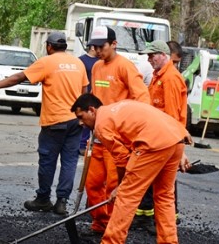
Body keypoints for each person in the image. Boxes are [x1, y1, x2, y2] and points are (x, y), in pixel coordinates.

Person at [0, 32, 87, 215]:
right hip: (76, 121)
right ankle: (62, 202)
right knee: (69, 161)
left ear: (49, 46)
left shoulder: (47, 62)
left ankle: (43, 199)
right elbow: (85, 91)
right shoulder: (78, 63)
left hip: (54, 121)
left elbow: (18, 78)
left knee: (48, 160)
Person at [71, 94, 192, 244]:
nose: (80, 123)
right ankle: (169, 241)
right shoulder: (119, 107)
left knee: (126, 197)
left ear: (91, 110)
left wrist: (120, 187)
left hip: (154, 143)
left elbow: (122, 160)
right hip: (176, 139)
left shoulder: (101, 126)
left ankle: (111, 242)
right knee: (164, 195)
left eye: (81, 117)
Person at [85, 25, 151, 237]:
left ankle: (113, 230)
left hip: (118, 139)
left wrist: (136, 130)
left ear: (114, 44)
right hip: (97, 136)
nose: (97, 51)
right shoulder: (96, 67)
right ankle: (99, 224)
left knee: (114, 186)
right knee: (93, 184)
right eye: (93, 47)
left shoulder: (125, 67)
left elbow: (142, 98)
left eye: (101, 46)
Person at [136, 40, 188, 231]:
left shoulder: (170, 79)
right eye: (148, 56)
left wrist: (177, 148)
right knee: (155, 182)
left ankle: (164, 223)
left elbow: (173, 116)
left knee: (163, 186)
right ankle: (149, 217)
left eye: (152, 55)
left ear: (164, 55)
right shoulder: (159, 76)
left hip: (165, 140)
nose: (149, 59)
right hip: (157, 138)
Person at [78, 45, 99, 156]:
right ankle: (82, 145)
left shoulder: (101, 61)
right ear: (92, 47)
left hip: (97, 96)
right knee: (86, 121)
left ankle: (93, 145)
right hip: (86, 95)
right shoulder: (81, 60)